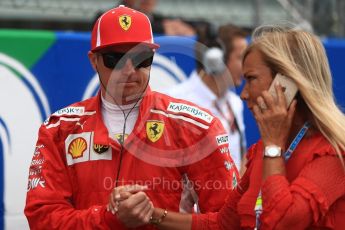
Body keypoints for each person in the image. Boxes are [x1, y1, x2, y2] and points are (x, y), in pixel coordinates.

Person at [24, 5, 239, 229]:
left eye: (141, 58)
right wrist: (108, 217)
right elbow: (42, 219)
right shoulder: (59, 130)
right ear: (93, 61)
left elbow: (230, 221)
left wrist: (155, 216)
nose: (129, 70)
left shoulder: (197, 126)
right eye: (115, 58)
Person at [113, 26, 345, 229]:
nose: (243, 94)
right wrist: (149, 214)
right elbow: (222, 224)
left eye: (251, 79)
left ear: (286, 83)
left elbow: (280, 222)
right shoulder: (261, 153)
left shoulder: (332, 154)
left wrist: (273, 145)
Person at [167, 24, 248, 172]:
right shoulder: (174, 101)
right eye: (240, 57)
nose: (246, 65)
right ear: (216, 60)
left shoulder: (235, 103)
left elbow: (241, 157)